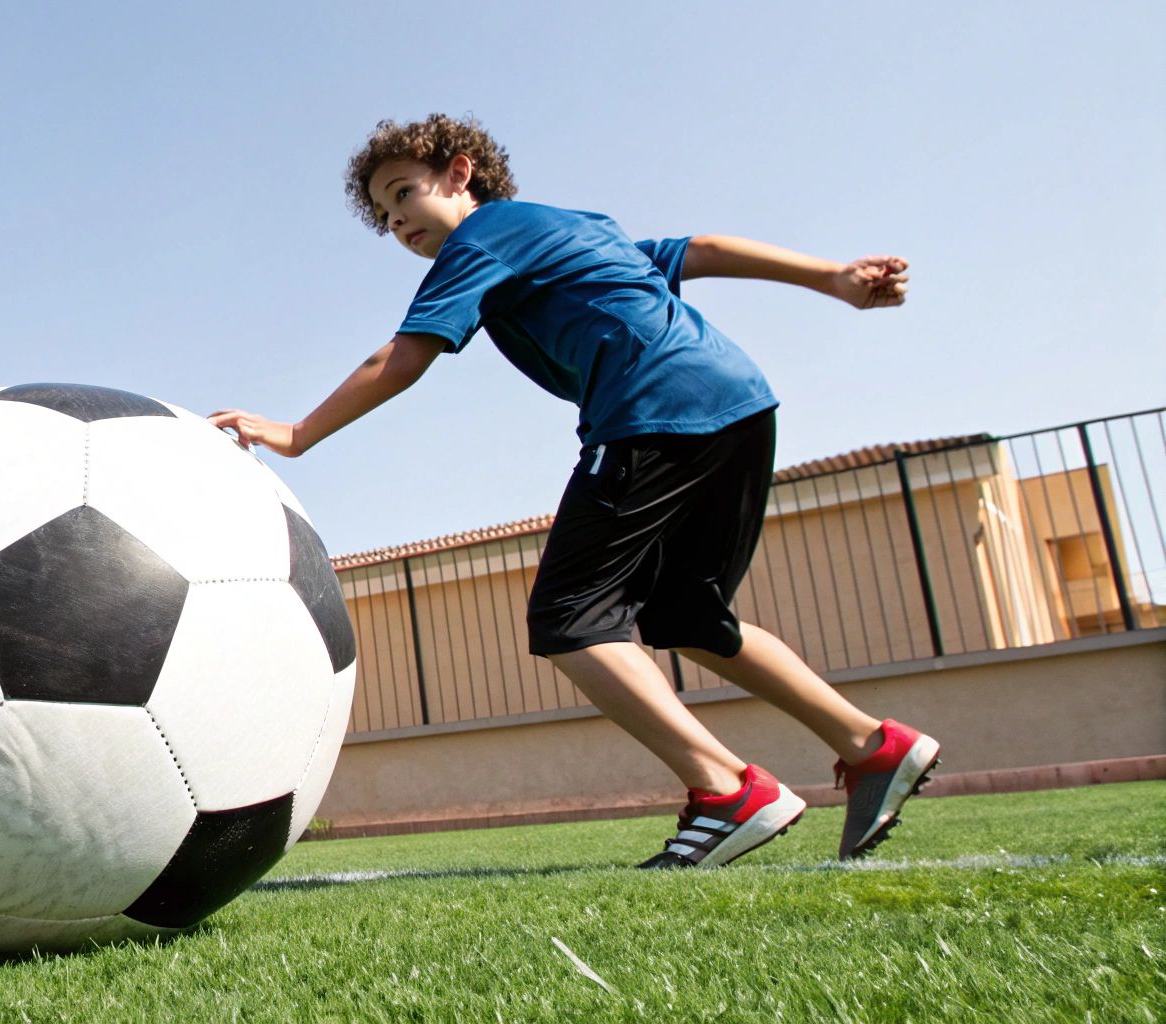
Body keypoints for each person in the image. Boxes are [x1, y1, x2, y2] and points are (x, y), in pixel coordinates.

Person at [209, 113, 942, 867]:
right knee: (688, 615)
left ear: (461, 174)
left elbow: (400, 357)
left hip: (652, 411)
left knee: (571, 617)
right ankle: (873, 745)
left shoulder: (482, 239)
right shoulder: (572, 227)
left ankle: (728, 790)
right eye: (386, 217)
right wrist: (830, 278)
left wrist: (297, 433)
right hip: (739, 404)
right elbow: (701, 250)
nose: (399, 223)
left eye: (406, 195)